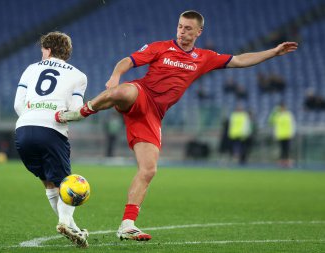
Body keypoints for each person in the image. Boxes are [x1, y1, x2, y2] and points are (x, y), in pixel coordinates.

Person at [55, 10, 298, 241]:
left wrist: (272, 52)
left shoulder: (204, 57)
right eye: (180, 27)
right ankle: (80, 112)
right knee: (123, 90)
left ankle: (127, 225)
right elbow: (127, 61)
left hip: (153, 115)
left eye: (188, 29)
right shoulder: (160, 47)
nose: (182, 32)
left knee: (149, 170)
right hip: (142, 93)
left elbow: (239, 60)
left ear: (199, 32)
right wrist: (115, 76)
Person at [14, 31, 89, 247]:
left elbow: (18, 105)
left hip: (24, 129)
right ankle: (65, 221)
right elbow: (75, 111)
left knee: (48, 181)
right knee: (66, 182)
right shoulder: (79, 75)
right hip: (51, 130)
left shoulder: (31, 68)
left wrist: (33, 116)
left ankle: (72, 227)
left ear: (47, 50)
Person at [268, 103, 296, 168]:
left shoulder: (289, 114)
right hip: (280, 135)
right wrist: (274, 112)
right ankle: (282, 162)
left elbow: (293, 124)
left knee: (287, 149)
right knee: (282, 149)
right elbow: (270, 121)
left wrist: (292, 133)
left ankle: (287, 162)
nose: (282, 109)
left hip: (287, 134)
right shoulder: (277, 115)